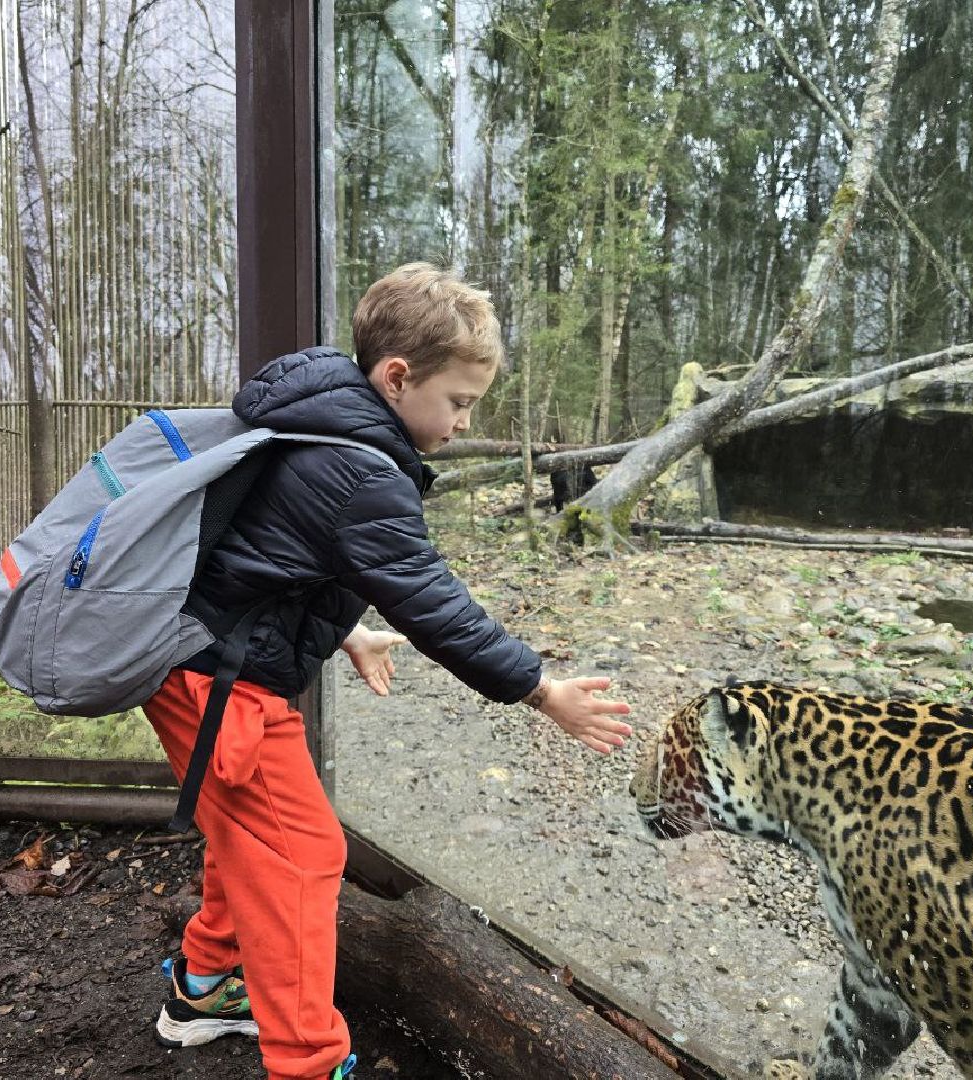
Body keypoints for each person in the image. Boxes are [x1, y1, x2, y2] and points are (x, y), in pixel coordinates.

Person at [142, 262, 633, 1080]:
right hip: (223, 683)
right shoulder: (360, 468)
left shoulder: (321, 419)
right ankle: (306, 1059)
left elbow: (265, 553)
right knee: (305, 854)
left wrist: (346, 636)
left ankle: (203, 987)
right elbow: (435, 603)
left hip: (205, 667)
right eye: (459, 402)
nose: (462, 421)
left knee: (251, 834)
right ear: (398, 377)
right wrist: (541, 689)